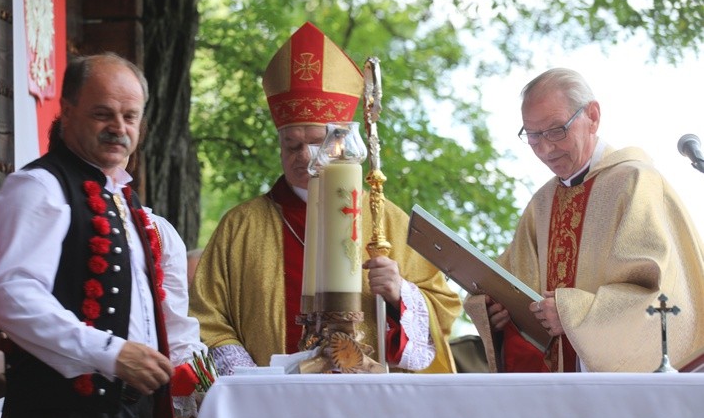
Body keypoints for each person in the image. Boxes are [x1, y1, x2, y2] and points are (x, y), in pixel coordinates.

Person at [190, 22, 461, 375]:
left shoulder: (387, 222)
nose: (303, 155)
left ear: (342, 140)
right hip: (271, 408)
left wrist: (399, 294)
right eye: (292, 145)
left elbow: (443, 308)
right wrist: (253, 379)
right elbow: (206, 317)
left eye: (316, 141)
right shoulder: (241, 226)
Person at [0, 53, 207, 418]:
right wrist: (111, 353)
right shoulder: (40, 187)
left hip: (132, 410)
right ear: (68, 113)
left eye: (130, 116)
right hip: (62, 414)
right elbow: (13, 295)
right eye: (103, 113)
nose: (118, 127)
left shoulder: (121, 196)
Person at [464, 67, 704, 372]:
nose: (546, 148)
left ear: (592, 116)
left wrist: (574, 314)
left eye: (556, 130)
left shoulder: (635, 182)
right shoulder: (542, 203)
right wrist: (493, 310)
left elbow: (658, 294)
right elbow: (511, 284)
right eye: (533, 135)